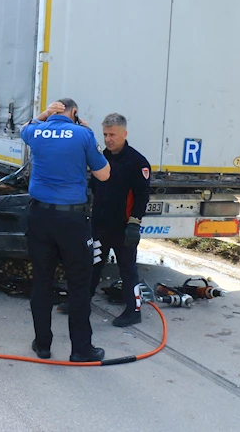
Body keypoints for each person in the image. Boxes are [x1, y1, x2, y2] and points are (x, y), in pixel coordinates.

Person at [21, 98, 110, 362]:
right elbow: (104, 174)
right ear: (75, 113)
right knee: (79, 284)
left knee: (41, 281)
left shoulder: (36, 131)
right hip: (72, 221)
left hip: (40, 217)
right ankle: (81, 349)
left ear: (53, 113)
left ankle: (43, 344)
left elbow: (27, 125)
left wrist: (45, 114)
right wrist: (85, 130)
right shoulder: (83, 134)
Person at [89, 113, 151, 327]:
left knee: (127, 269)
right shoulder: (100, 158)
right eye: (105, 134)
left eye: (112, 134)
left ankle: (133, 311)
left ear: (124, 134)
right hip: (99, 224)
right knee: (92, 265)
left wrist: (135, 223)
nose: (108, 139)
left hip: (123, 227)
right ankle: (81, 303)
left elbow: (142, 195)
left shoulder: (137, 162)